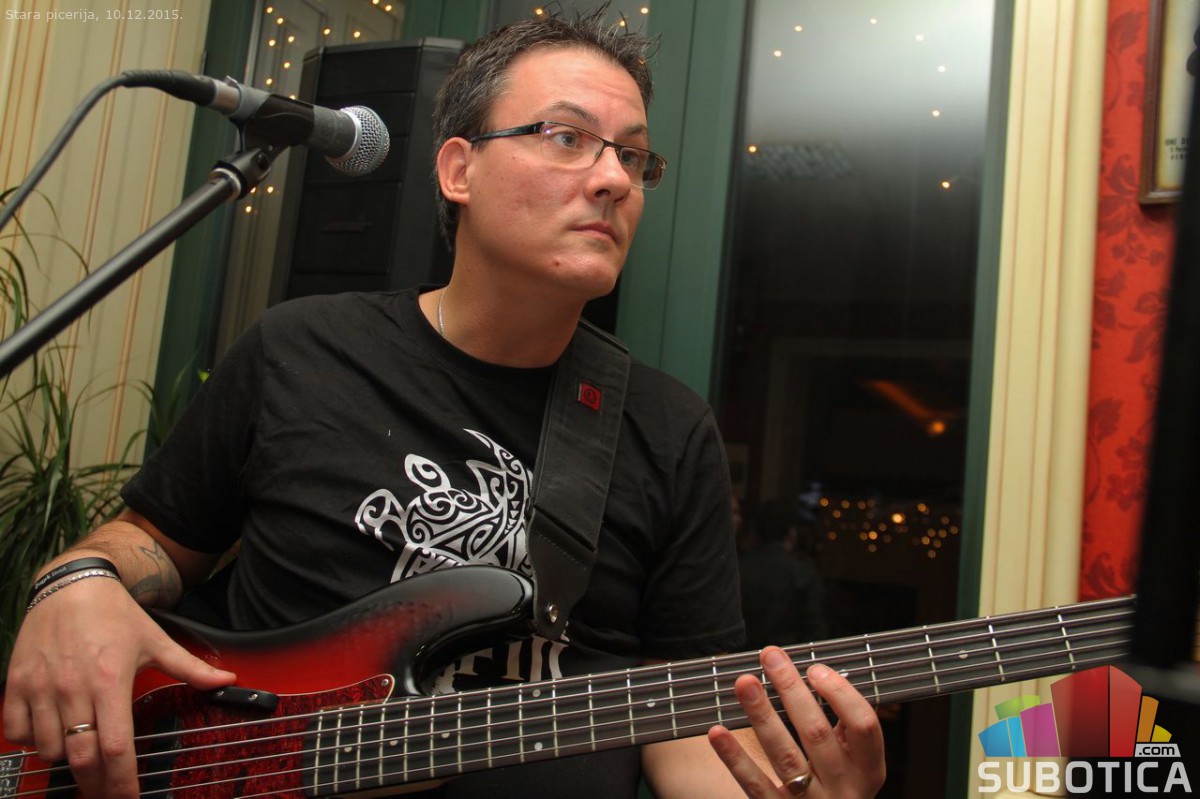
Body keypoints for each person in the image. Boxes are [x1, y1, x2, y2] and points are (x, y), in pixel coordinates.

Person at [3, 7, 885, 798]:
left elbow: (685, 726)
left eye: (632, 155)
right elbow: (150, 541)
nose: (615, 179)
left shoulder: (669, 429)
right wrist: (80, 583)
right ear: (459, 169)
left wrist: (801, 789)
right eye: (568, 137)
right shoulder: (302, 349)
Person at [739, 497, 828, 649]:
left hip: (743, 657)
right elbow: (815, 632)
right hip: (789, 656)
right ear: (791, 532)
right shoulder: (802, 572)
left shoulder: (740, 569)